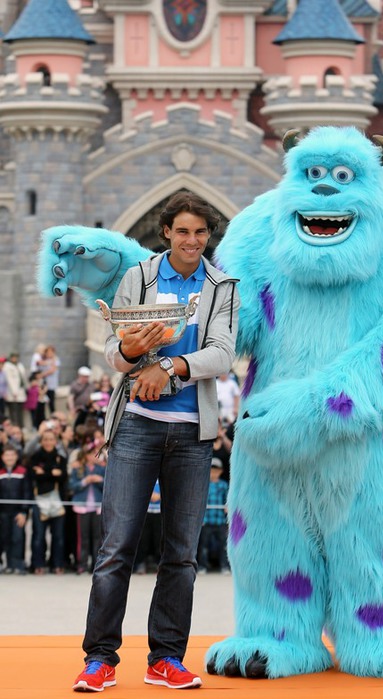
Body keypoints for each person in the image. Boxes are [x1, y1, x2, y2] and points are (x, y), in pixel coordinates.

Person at [72, 191, 239, 692]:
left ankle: (165, 657)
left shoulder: (222, 285)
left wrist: (170, 366)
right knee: (116, 549)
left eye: (201, 233)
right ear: (166, 232)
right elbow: (113, 353)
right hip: (137, 426)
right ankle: (100, 659)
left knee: (181, 554)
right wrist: (130, 349)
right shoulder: (139, 278)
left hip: (192, 432)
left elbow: (223, 352)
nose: (192, 240)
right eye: (183, 231)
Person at [30, 428, 68, 575]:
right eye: (45, 439)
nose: (48, 442)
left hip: (57, 500)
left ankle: (57, 564)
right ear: (41, 441)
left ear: (56, 441)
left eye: (51, 439)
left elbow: (63, 476)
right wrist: (52, 472)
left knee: (58, 536)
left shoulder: (61, 459)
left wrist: (44, 472)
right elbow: (35, 477)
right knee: (38, 535)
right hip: (39, 501)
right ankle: (38, 564)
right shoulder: (35, 458)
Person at [69, 440, 106, 574]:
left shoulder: (102, 469)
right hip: (82, 507)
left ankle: (96, 564)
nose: (93, 456)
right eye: (90, 454)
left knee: (97, 537)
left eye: (95, 453)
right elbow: (72, 486)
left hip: (97, 507)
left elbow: (108, 487)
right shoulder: (78, 468)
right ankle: (82, 564)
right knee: (82, 537)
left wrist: (99, 480)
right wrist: (85, 481)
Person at [0, 444, 32, 574]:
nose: (9, 458)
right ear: (2, 457)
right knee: (4, 537)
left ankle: (18, 564)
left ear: (16, 456)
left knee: (18, 538)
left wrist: (23, 512)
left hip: (18, 512)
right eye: (7, 455)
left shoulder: (22, 471)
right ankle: (6, 564)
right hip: (2, 513)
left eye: (12, 455)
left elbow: (27, 492)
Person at [197, 459, 230, 574]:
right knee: (203, 545)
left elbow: (228, 498)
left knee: (223, 545)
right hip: (206, 519)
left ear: (220, 471)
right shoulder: (203, 484)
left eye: (216, 470)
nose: (213, 473)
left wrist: (227, 506)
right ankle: (202, 566)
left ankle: (224, 566)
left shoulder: (224, 485)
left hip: (220, 520)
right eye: (211, 470)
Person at [3, 352, 27, 427]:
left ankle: (21, 426)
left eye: (16, 357)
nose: (15, 358)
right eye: (13, 357)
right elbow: (9, 380)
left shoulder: (20, 365)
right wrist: (14, 391)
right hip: (12, 393)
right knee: (13, 411)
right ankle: (15, 426)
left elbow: (23, 377)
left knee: (20, 411)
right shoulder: (7, 366)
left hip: (21, 391)